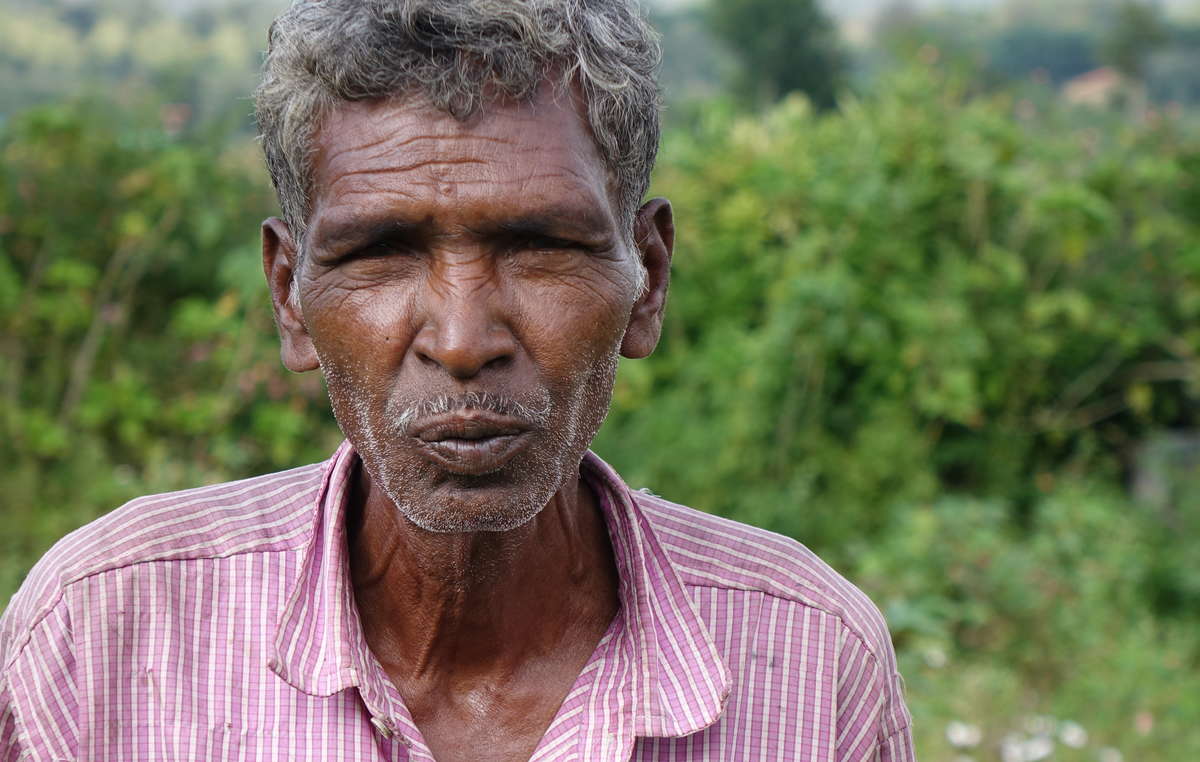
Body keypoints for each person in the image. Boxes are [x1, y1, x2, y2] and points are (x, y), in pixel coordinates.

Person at [0, 1, 914, 759]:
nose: (463, 339)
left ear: (648, 278)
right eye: (382, 253)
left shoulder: (809, 656)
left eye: (541, 246)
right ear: (291, 298)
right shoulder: (106, 635)